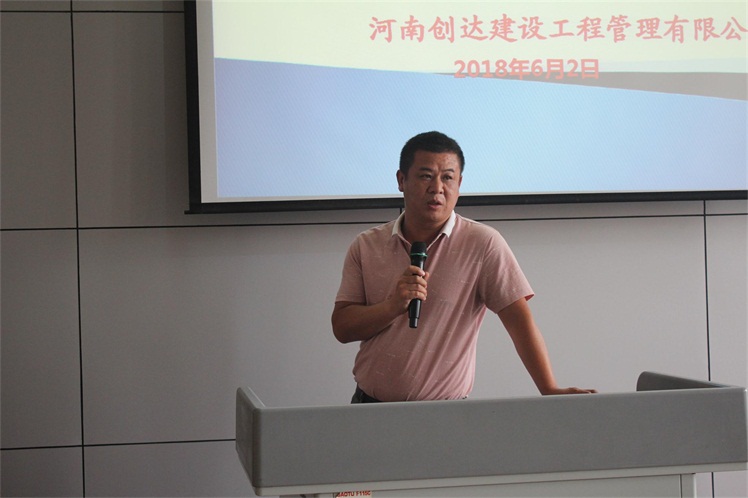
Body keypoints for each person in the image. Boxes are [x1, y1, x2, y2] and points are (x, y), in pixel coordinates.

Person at [332, 131, 596, 402]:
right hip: (369, 407)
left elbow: (519, 322)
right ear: (401, 180)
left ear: (459, 183)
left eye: (447, 177)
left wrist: (549, 388)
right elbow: (342, 328)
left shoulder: (483, 243)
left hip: (447, 413)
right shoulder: (366, 245)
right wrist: (391, 307)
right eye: (425, 176)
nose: (437, 188)